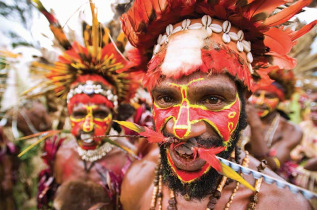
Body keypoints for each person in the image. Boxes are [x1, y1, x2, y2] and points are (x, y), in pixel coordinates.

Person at [119, 0, 316, 209]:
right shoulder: (138, 180)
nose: (181, 128)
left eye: (212, 99)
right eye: (167, 99)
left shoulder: (282, 204)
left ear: (244, 100)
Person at [25, 1, 140, 209]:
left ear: (115, 114)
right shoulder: (59, 155)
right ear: (68, 114)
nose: (87, 127)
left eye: (99, 114)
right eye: (78, 115)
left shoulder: (131, 162)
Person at [244, 68, 303, 178]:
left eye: (269, 97)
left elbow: (270, 166)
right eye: (257, 95)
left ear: (280, 100)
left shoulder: (291, 130)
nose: (260, 102)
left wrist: (255, 126)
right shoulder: (239, 117)